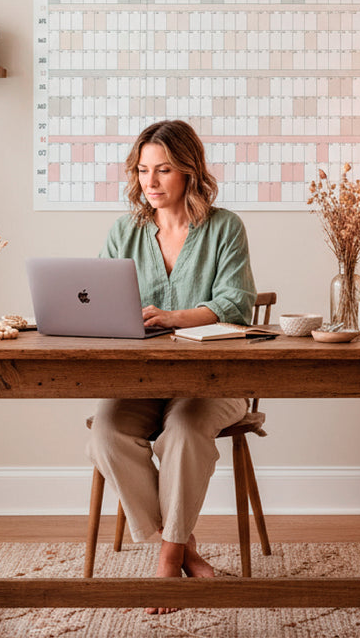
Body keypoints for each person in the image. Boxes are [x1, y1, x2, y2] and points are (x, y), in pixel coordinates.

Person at [86, 119, 257, 614]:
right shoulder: (125, 231)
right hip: (140, 383)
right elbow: (98, 299)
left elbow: (236, 303)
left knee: (183, 427)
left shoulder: (224, 227)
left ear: (188, 172)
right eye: (143, 171)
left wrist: (176, 316)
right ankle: (186, 547)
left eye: (163, 170)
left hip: (214, 382)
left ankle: (167, 556)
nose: (151, 182)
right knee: (106, 433)